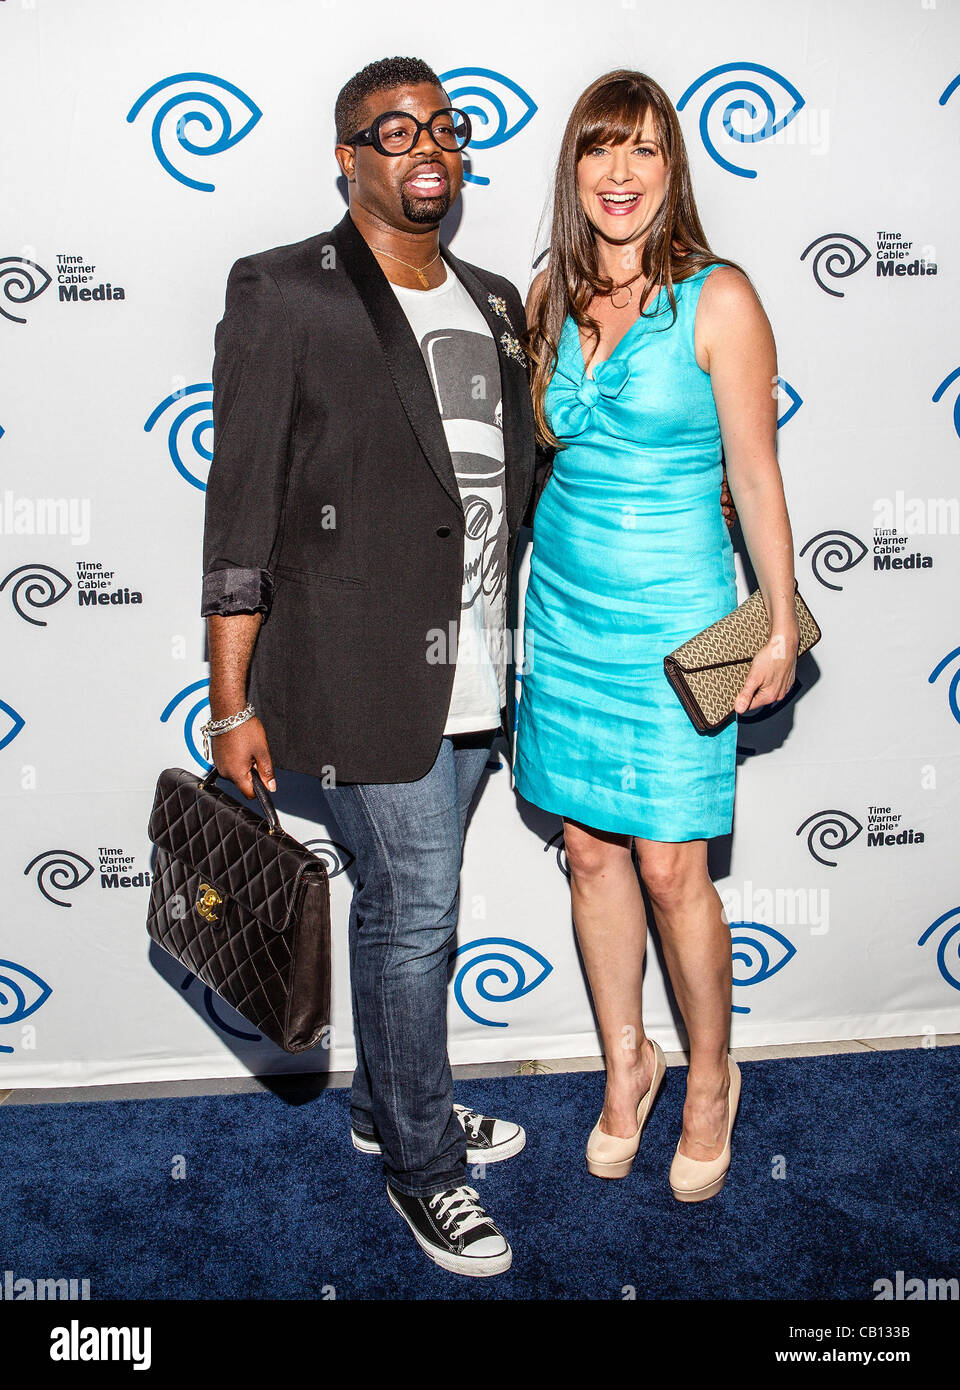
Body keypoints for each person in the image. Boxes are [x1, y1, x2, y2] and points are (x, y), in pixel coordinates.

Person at [199, 56, 537, 1277]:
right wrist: (229, 694)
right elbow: (239, 514)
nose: (424, 146)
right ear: (348, 157)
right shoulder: (287, 289)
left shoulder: (498, 300)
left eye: (444, 126)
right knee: (418, 915)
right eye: (393, 130)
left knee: (403, 914)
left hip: (482, 675)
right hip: (352, 673)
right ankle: (423, 1167)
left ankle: (391, 1101)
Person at [515, 70, 799, 1202]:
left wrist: (774, 619)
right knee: (588, 849)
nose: (619, 174)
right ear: (574, 171)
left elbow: (757, 474)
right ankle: (625, 1061)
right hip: (567, 611)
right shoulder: (548, 292)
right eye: (599, 150)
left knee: (676, 865)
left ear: (673, 167)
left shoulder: (720, 297)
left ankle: (712, 1076)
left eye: (641, 150)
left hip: (686, 613)